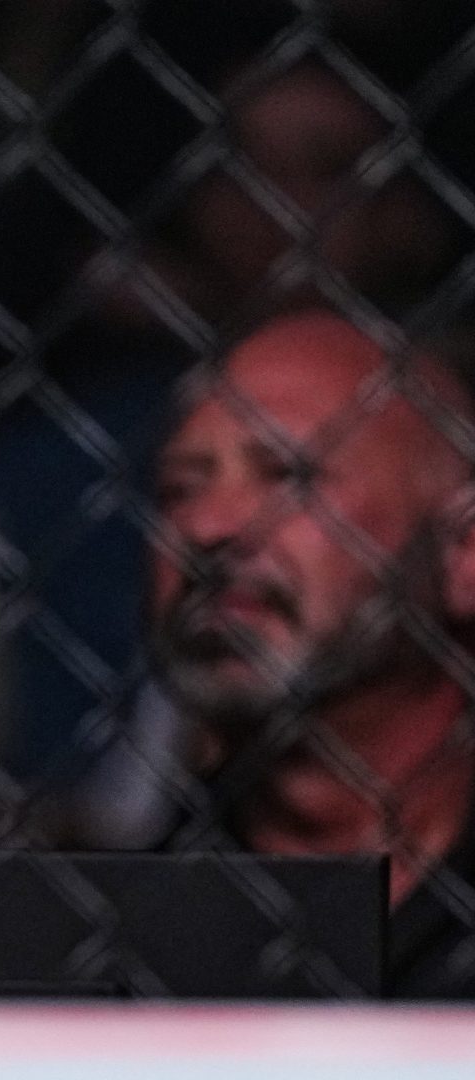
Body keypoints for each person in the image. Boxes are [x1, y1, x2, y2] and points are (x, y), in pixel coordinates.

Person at [146, 310, 475, 996]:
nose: (208, 527)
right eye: (181, 489)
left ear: (465, 553)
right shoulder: (123, 929)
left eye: (290, 477)